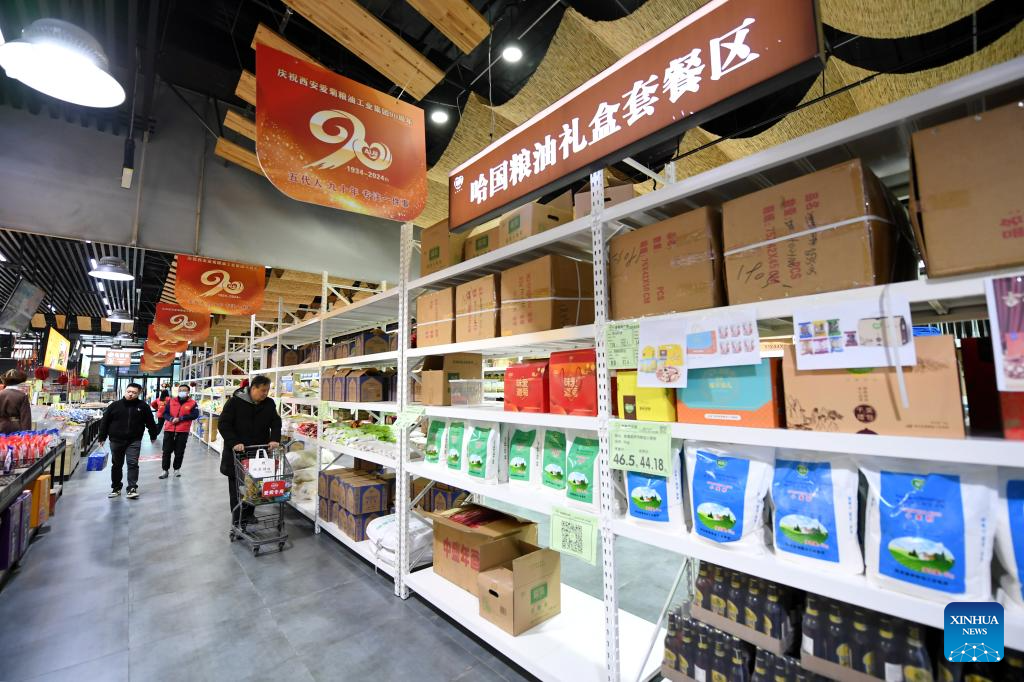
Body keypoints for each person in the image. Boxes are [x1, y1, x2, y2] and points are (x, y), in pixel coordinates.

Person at [217, 375, 281, 524]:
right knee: (237, 488)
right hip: (238, 454)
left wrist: (274, 439)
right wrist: (234, 442)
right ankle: (237, 518)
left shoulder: (269, 403)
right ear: (253, 388)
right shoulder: (234, 402)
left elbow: (276, 422)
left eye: (267, 390)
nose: (265, 393)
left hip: (258, 453)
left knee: (255, 485)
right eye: (263, 390)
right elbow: (224, 424)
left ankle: (250, 514)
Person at [98, 383, 159, 499]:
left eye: (134, 393)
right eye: (129, 391)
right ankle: (116, 488)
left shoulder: (143, 406)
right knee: (117, 464)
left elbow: (150, 422)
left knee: (132, 463)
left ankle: (132, 488)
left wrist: (153, 435)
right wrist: (102, 437)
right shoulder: (114, 405)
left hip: (134, 440)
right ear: (125, 391)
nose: (131, 394)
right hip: (116, 440)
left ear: (139, 393)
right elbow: (105, 422)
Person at [156, 383, 199, 479]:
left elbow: (195, 415)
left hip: (183, 430)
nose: (182, 392)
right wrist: (171, 419)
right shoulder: (171, 401)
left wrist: (181, 418)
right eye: (180, 390)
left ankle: (177, 469)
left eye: (184, 390)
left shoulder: (192, 403)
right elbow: (165, 413)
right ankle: (165, 470)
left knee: (179, 451)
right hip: (169, 429)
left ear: (188, 392)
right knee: (166, 451)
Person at [0, 369, 32, 434]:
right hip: (16, 428)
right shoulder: (22, 396)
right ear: (19, 381)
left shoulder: (0, 394)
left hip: (1, 426)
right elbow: (25, 418)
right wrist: (26, 433)